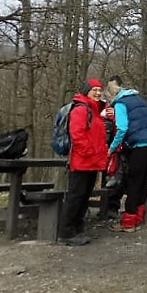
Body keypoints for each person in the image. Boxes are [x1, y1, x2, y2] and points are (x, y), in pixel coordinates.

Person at [106, 75, 147, 232]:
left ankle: (129, 221)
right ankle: (138, 217)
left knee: (134, 181)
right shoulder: (138, 99)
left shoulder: (120, 104)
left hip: (139, 145)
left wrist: (111, 149)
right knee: (144, 181)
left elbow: (122, 129)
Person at [59, 79, 109, 246]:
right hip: (82, 161)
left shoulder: (95, 111)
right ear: (87, 91)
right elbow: (77, 135)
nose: (98, 93)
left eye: (100, 90)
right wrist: (89, 153)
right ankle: (66, 232)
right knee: (76, 196)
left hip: (92, 162)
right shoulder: (81, 109)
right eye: (94, 90)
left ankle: (77, 229)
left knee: (84, 197)